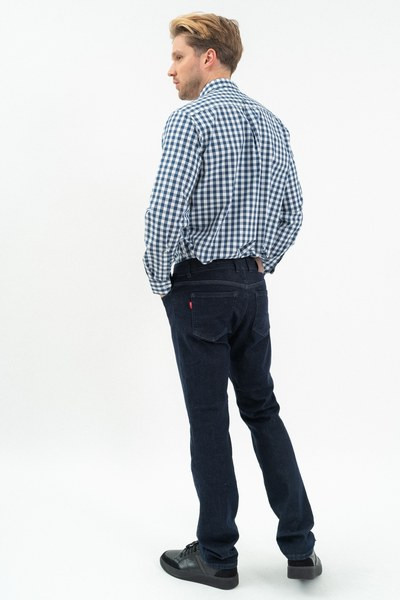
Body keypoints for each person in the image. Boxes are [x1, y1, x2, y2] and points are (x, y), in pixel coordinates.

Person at [142, 12, 322, 590]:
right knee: (263, 409)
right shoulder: (271, 123)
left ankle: (218, 555)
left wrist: (162, 283)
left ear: (209, 56)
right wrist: (261, 261)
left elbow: (163, 215)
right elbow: (293, 211)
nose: (170, 69)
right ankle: (300, 547)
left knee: (209, 420)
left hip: (199, 290)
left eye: (178, 56)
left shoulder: (189, 120)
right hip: (250, 287)